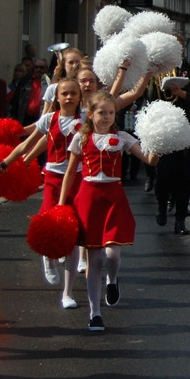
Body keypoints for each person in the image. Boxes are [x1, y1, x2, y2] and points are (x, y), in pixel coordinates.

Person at [58, 90, 159, 331]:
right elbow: (71, 172)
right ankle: (95, 313)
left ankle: (112, 280)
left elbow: (150, 160)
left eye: (111, 112)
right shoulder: (80, 139)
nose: (106, 117)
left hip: (114, 198)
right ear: (90, 114)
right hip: (88, 200)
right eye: (101, 112)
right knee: (94, 258)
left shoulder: (122, 137)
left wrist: (159, 142)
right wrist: (62, 204)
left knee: (112, 255)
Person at [0, 79, 83, 307]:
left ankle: (68, 292)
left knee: (74, 234)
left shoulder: (86, 120)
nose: (69, 97)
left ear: (79, 96)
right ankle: (48, 258)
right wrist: (6, 163)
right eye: (64, 93)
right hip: (54, 179)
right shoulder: (49, 119)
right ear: (57, 97)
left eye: (74, 93)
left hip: (79, 179)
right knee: (47, 220)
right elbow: (26, 145)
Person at [146, 59, 190, 235]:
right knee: (164, 174)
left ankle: (180, 219)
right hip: (164, 128)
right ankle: (162, 205)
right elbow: (150, 99)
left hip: (187, 127)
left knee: (184, 176)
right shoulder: (158, 71)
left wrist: (182, 94)